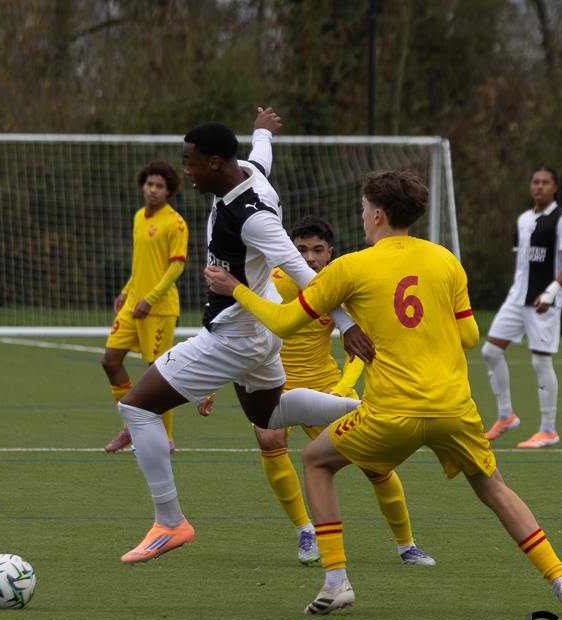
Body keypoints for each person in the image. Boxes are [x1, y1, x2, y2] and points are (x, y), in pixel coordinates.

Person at [205, 169, 562, 617]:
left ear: (379, 214)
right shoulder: (446, 260)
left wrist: (235, 290)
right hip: (454, 409)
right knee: (495, 489)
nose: (363, 216)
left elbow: (285, 322)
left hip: (392, 412)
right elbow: (469, 336)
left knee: (315, 460)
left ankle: (336, 582)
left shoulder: (350, 266)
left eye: (365, 209)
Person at [116, 108, 374, 565]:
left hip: (235, 336)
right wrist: (263, 130)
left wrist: (347, 324)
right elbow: (261, 155)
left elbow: (307, 274)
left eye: (190, 162)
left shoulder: (253, 218)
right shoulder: (251, 172)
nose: (186, 171)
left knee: (136, 406)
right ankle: (373, 409)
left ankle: (170, 522)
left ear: (215, 162)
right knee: (270, 414)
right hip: (257, 332)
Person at [199, 215, 434, 568]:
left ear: (330, 253)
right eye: (301, 249)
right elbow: (228, 331)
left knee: (374, 461)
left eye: (318, 250)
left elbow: (362, 345)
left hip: (325, 385)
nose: (309, 258)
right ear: (289, 251)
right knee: (269, 440)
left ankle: (406, 544)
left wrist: (342, 387)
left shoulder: (341, 283)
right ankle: (305, 530)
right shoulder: (268, 283)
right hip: (272, 384)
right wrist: (209, 381)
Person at [482, 167, 562, 448]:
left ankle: (548, 430)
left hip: (543, 301)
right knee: (490, 350)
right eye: (535, 182)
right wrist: (514, 289)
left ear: (555, 188)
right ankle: (506, 416)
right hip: (517, 298)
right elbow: (522, 261)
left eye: (545, 182)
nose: (539, 186)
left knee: (540, 361)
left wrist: (551, 291)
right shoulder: (524, 218)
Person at [101, 159, 188, 454]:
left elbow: (175, 269)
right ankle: (133, 425)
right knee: (110, 361)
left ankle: (166, 438)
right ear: (142, 185)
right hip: (133, 303)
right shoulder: (139, 217)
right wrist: (127, 292)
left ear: (169, 191)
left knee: (159, 373)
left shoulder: (175, 223)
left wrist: (150, 300)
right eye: (149, 184)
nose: (153, 190)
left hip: (159, 308)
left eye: (159, 186)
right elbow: (143, 265)